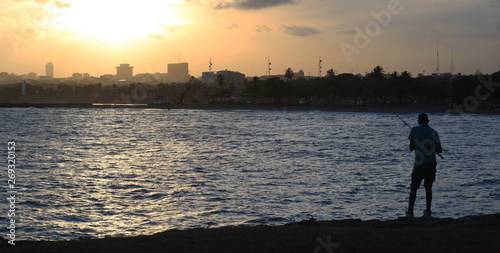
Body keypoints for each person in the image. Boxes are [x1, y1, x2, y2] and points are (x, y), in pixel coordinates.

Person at [406, 113, 442, 218]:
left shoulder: (414, 130)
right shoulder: (434, 132)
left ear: (418, 121)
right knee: (428, 188)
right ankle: (428, 211)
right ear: (428, 121)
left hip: (419, 164)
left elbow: (411, 148)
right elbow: (440, 150)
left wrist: (418, 144)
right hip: (431, 164)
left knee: (413, 188)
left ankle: (410, 212)